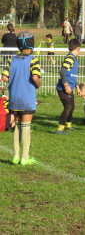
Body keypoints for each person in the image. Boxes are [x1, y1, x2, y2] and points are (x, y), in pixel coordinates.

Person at [2, 31, 41, 165]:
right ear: (32, 44)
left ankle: (16, 156)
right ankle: (25, 158)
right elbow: (35, 77)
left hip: (14, 97)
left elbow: (4, 77)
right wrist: (38, 84)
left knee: (17, 126)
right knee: (25, 126)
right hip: (26, 98)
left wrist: (15, 79)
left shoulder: (12, 60)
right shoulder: (33, 60)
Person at [56, 39, 81, 134]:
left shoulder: (73, 58)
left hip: (69, 88)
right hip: (63, 88)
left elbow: (72, 76)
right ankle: (59, 129)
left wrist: (77, 86)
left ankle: (68, 125)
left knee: (72, 106)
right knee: (68, 106)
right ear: (78, 48)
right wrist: (66, 85)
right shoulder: (70, 58)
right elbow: (62, 72)